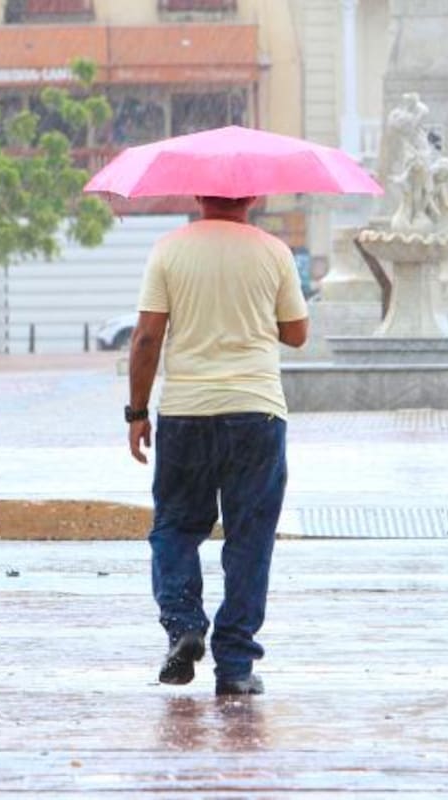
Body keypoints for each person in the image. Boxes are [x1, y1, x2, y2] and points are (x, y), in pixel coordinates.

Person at [125, 195, 309, 696]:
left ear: (198, 197)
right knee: (250, 537)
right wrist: (247, 315)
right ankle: (235, 665)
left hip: (186, 413)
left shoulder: (168, 251)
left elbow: (146, 338)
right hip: (256, 411)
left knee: (176, 528)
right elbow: (297, 333)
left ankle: (184, 624)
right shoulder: (273, 252)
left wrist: (137, 412)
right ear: (252, 197)